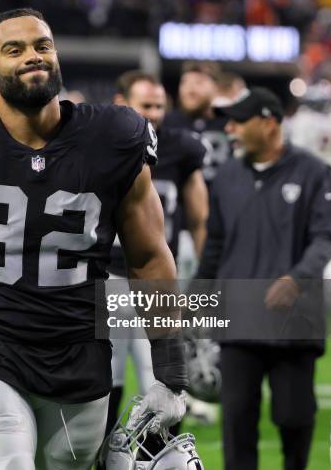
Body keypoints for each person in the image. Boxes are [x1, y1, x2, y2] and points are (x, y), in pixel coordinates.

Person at [0, 8, 188, 470]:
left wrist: (170, 372)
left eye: (42, 45)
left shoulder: (114, 137)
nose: (32, 56)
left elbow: (149, 258)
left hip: (81, 358)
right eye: (14, 50)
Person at [197, 87, 331, 470]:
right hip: (239, 322)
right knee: (237, 424)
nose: (230, 129)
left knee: (295, 419)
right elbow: (215, 244)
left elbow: (326, 236)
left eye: (238, 121)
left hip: (294, 323)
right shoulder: (226, 177)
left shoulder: (314, 172)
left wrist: (297, 279)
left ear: (269, 122)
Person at [106, 71, 208, 434]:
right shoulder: (99, 143)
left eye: (160, 106)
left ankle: (159, 460)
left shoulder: (182, 147)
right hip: (109, 279)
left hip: (159, 279)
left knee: (165, 381)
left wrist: (205, 280)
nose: (154, 113)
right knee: (106, 381)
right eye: (145, 105)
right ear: (122, 103)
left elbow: (199, 220)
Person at [163, 61, 230, 186]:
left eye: (199, 83)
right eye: (184, 82)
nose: (190, 90)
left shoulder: (230, 123)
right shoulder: (166, 123)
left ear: (216, 87)